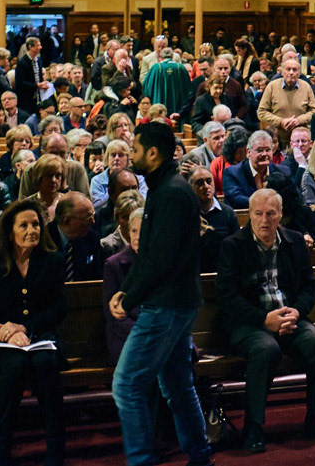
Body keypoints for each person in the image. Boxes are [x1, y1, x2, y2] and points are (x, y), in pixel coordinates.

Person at [109, 121, 214, 466]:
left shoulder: (169, 191)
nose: (131, 156)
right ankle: (200, 457)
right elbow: (150, 253)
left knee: (127, 386)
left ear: (152, 153)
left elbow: (160, 261)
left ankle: (142, 461)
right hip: (176, 302)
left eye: (135, 150)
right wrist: (125, 290)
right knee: (177, 384)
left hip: (167, 305)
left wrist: (128, 298)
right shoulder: (164, 186)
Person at [215, 188, 315, 453]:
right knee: (266, 349)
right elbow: (228, 297)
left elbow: (310, 286)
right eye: (258, 214)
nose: (264, 220)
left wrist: (296, 311)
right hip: (248, 324)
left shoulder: (294, 242)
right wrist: (264, 320)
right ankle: (254, 427)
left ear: (281, 215)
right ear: (248, 215)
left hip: (290, 319)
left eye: (271, 213)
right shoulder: (232, 246)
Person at [0, 198, 66, 466]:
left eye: (36, 224)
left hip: (42, 338)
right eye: (23, 225)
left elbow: (59, 308)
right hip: (3, 343)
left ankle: (55, 453)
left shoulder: (52, 260)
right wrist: (9, 334)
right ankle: (0, 452)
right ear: (10, 231)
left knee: (45, 363)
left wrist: (26, 327)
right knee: (14, 367)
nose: (31, 230)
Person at [103, 206, 144, 364]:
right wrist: (144, 334)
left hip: (158, 331)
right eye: (134, 231)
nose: (137, 237)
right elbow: (113, 316)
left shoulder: (162, 262)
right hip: (126, 336)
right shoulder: (114, 264)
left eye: (143, 231)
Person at [222, 130, 290, 209]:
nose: (264, 154)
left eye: (268, 150)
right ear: (248, 152)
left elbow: (293, 198)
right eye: (259, 150)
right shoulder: (232, 173)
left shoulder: (283, 172)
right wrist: (267, 203)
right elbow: (236, 199)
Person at [257, 58, 315, 149]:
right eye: (288, 69)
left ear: (299, 73)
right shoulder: (272, 86)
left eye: (295, 70)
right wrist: (280, 121)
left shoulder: (306, 87)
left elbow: (314, 111)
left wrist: (298, 120)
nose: (291, 72)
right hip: (277, 141)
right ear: (282, 72)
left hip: (300, 141)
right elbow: (261, 112)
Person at [47, 192, 104, 282]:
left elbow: (98, 276)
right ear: (67, 221)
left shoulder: (92, 238)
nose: (93, 222)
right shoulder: (44, 239)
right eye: (88, 217)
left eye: (93, 215)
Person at [15, 36, 48, 116]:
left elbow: (39, 77)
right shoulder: (22, 63)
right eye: (38, 45)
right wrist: (36, 85)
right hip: (26, 99)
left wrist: (43, 83)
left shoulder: (38, 60)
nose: (40, 47)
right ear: (30, 47)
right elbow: (20, 83)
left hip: (37, 97)